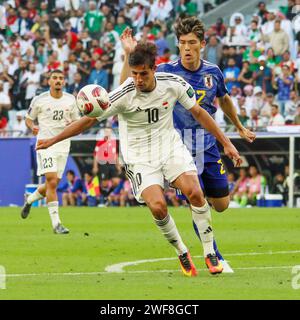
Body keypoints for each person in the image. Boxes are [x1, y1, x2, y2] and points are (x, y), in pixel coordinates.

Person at [37, 42, 242, 276]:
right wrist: (53, 139)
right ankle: (181, 251)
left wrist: (226, 143)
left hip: (170, 147)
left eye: (143, 73)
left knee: (195, 192)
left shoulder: (173, 84)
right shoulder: (123, 94)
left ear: (154, 69)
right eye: (134, 74)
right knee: (158, 206)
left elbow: (199, 112)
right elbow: (89, 121)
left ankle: (209, 252)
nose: (138, 79)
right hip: (139, 157)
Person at [119, 18, 255, 273]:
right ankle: (214, 256)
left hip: (208, 144)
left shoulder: (213, 72)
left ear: (202, 44)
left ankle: (208, 242)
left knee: (222, 204)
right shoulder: (164, 71)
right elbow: (130, 85)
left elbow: (223, 101)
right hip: (178, 147)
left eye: (192, 43)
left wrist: (238, 127)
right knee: (197, 197)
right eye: (182, 43)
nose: (187, 48)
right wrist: (129, 54)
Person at [21, 69, 80, 234]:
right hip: (45, 145)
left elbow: (77, 122)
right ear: (49, 81)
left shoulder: (71, 100)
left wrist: (72, 125)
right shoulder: (40, 100)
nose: (58, 81)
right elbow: (28, 118)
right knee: (52, 181)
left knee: (51, 184)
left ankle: (30, 199)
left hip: (63, 145)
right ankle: (56, 224)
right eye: (55, 78)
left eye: (61, 78)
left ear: (64, 82)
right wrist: (32, 127)